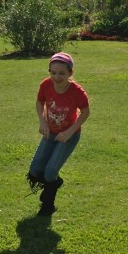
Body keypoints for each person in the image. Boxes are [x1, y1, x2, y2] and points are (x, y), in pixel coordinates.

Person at [26, 52, 90, 216]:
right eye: (53, 72)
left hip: (68, 136)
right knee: (35, 170)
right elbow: (40, 102)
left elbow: (85, 112)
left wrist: (70, 131)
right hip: (51, 132)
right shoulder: (46, 85)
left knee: (50, 171)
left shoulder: (77, 92)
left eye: (61, 73)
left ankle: (48, 206)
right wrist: (42, 121)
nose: (56, 77)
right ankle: (55, 182)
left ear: (70, 73)